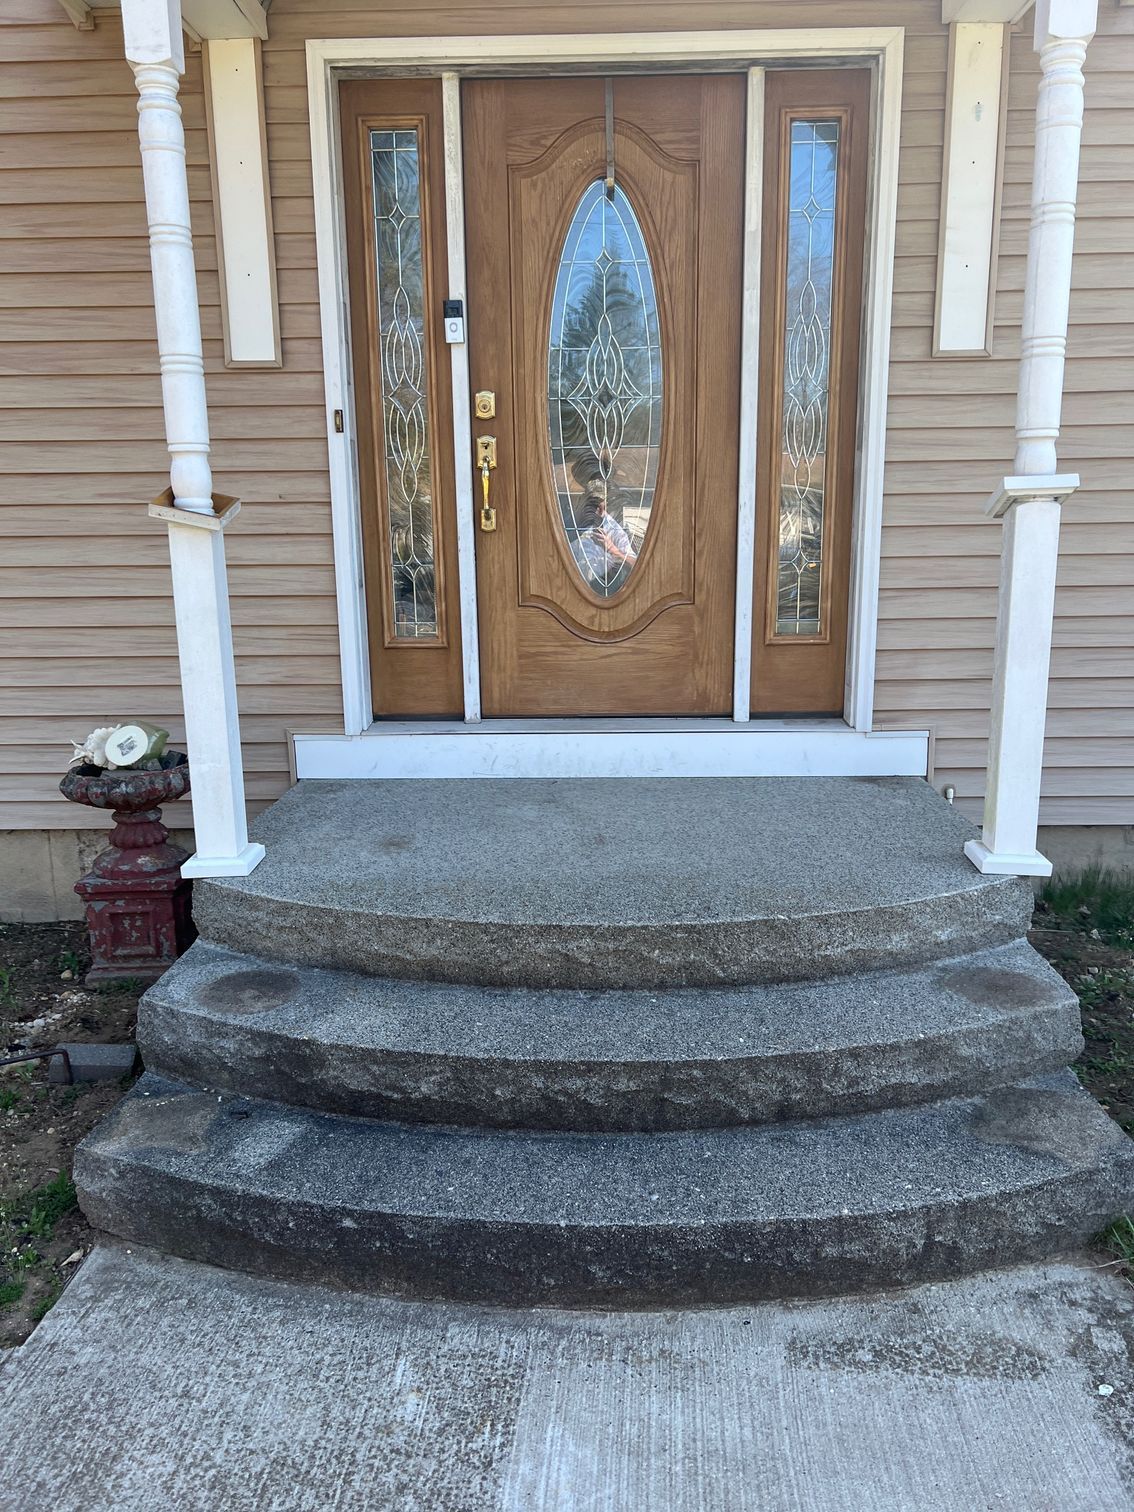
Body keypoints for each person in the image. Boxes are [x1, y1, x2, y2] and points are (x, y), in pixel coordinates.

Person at [574, 477, 636, 590]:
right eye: (590, 505)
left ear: (602, 507)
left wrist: (612, 549)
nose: (594, 511)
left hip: (614, 589)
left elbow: (635, 565)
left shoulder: (614, 530)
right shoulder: (573, 525)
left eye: (598, 506)